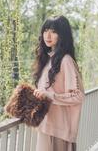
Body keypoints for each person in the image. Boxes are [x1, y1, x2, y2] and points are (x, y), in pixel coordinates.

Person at [33, 15, 85, 151]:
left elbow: (78, 96)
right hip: (46, 126)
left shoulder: (66, 60)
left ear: (62, 35)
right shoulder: (48, 60)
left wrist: (50, 96)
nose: (48, 35)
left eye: (54, 31)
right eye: (45, 30)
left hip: (58, 131)